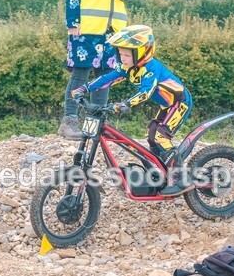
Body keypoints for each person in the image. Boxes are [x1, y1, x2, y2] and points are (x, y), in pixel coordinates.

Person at [71, 24, 195, 196]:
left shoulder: (151, 69)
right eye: (120, 54)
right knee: (151, 135)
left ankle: (182, 179)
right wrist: (85, 88)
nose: (123, 58)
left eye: (127, 55)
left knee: (160, 136)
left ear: (143, 52)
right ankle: (160, 174)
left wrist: (126, 104)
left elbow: (146, 92)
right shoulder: (127, 67)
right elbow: (108, 78)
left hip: (180, 103)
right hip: (166, 105)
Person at [58, 0, 139, 140]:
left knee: (105, 77)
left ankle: (95, 127)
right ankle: (69, 121)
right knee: (80, 74)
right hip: (86, 25)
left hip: (114, 29)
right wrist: (72, 21)